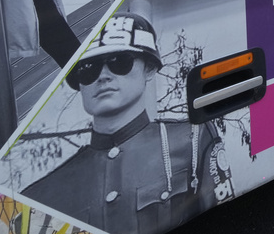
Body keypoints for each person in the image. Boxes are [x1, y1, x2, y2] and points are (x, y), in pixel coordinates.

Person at [23, 13, 234, 232]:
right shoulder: (43, 193)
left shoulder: (192, 140)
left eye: (120, 62)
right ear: (79, 83)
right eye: (88, 68)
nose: (103, 76)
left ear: (149, 68)